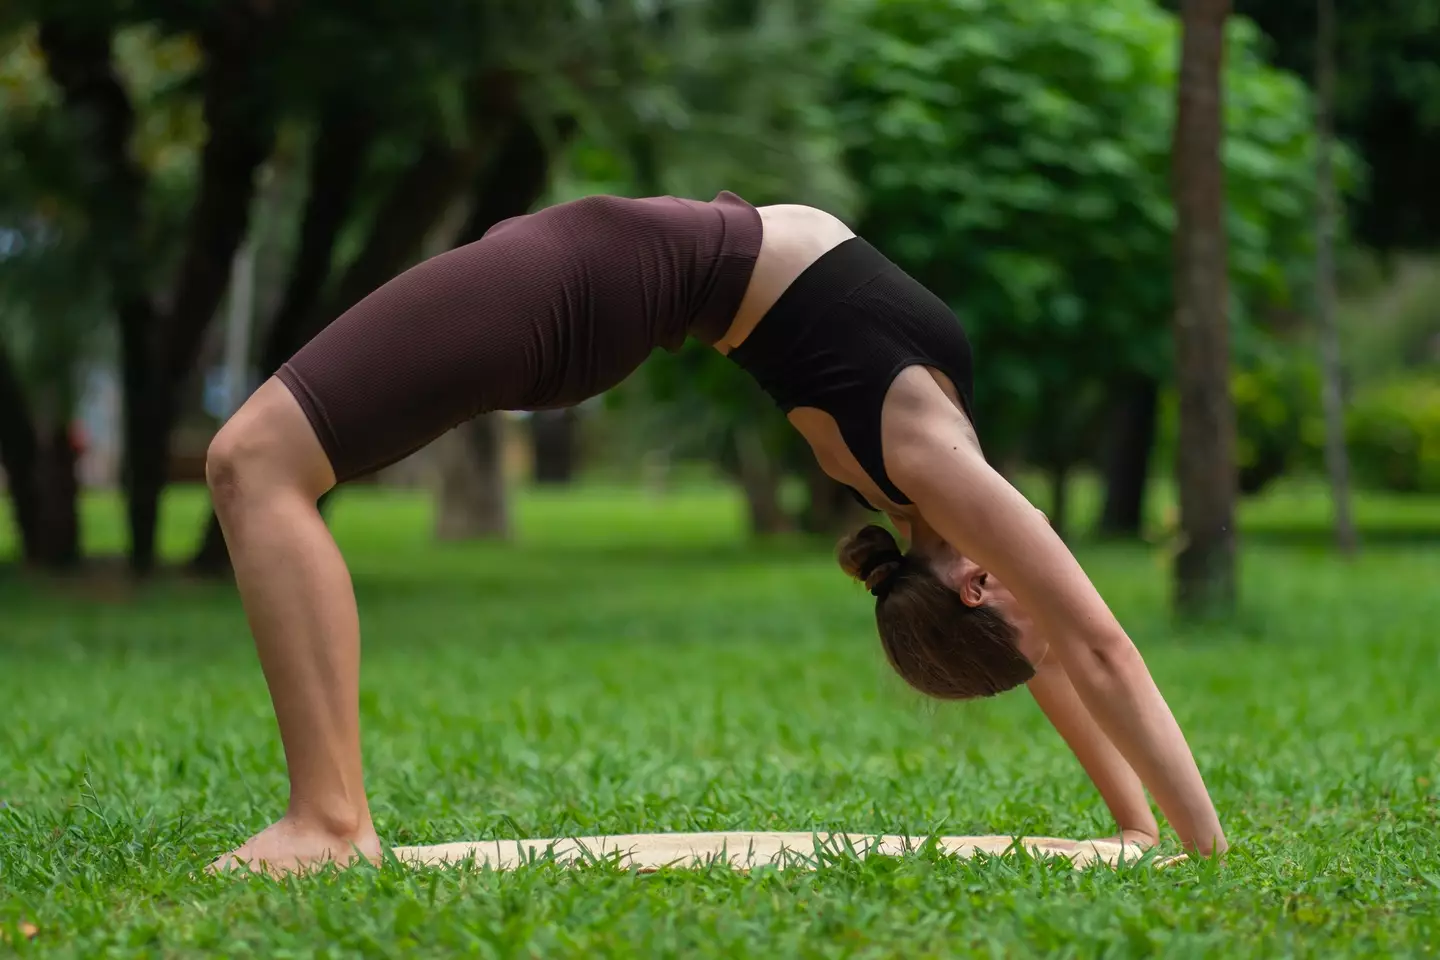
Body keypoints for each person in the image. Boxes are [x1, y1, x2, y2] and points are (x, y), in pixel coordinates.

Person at [207, 190, 1226, 874]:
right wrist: (1150, 829)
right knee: (257, 461)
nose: (1054, 583)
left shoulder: (926, 466)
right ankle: (330, 815)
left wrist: (1198, 854)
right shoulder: (933, 487)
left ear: (974, 587)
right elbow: (1070, 652)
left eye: (1029, 608)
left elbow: (1087, 648)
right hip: (595, 274)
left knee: (253, 461)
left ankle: (331, 822)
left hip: (583, 281)